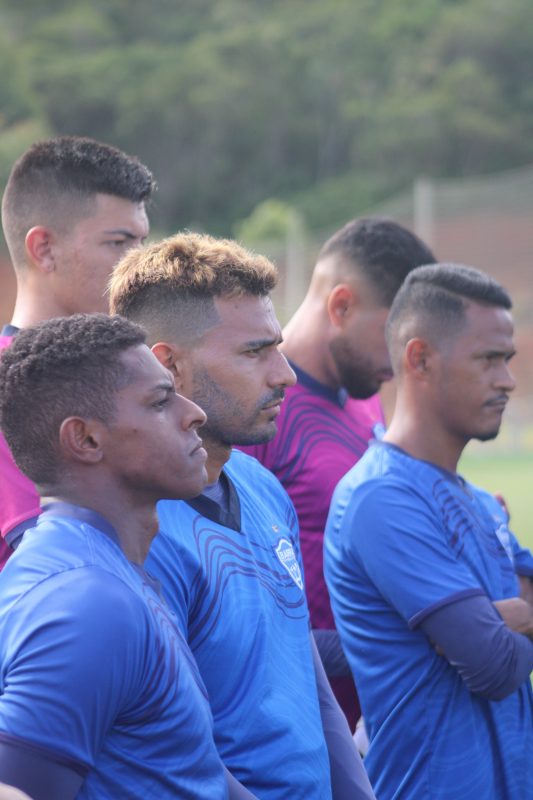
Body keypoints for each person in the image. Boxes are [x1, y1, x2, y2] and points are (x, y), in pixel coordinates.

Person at [109, 232, 376, 800]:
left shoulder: (261, 486)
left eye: (277, 346)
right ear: (168, 366)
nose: (286, 375)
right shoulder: (133, 530)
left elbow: (308, 680)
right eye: (254, 352)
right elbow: (173, 745)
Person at [0, 313, 259, 800]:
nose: (194, 413)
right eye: (161, 401)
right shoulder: (87, 601)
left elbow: (187, 770)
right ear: (86, 439)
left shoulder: (108, 569)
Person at [324, 263, 533, 799]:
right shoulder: (381, 498)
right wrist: (500, 618)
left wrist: (508, 617)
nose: (508, 379)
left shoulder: (480, 501)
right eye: (489, 360)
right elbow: (494, 665)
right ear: (420, 359)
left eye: (506, 361)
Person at [241, 217, 436, 729]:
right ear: (341, 305)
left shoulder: (366, 398)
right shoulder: (256, 409)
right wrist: (397, 645)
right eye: (391, 332)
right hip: (295, 732)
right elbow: (238, 613)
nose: (400, 359)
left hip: (374, 723)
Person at [0, 135, 154, 568]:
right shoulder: (8, 384)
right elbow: (69, 560)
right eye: (119, 243)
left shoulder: (140, 370)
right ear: (44, 249)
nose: (139, 265)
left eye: (143, 242)